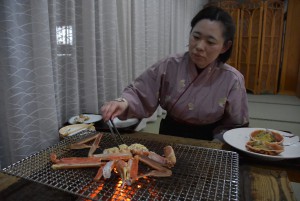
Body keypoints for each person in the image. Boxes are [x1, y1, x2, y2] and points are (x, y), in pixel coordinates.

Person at [101, 6, 249, 141]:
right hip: (170, 134)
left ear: (225, 46)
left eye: (210, 42)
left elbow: (235, 125)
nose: (199, 46)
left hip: (210, 139)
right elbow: (141, 92)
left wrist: (217, 145)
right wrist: (122, 103)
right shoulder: (170, 65)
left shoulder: (232, 79)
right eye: (196, 37)